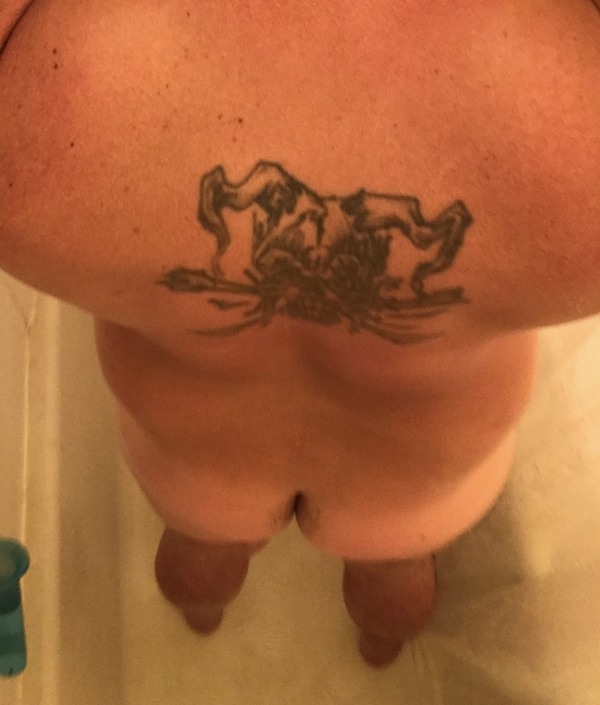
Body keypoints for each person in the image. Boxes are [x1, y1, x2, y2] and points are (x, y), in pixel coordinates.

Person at [0, 0, 598, 669]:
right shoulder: (572, 100)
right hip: (414, 480)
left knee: (199, 559)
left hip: (197, 466)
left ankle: (201, 620)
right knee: (394, 579)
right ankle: (380, 648)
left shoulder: (42, 83)